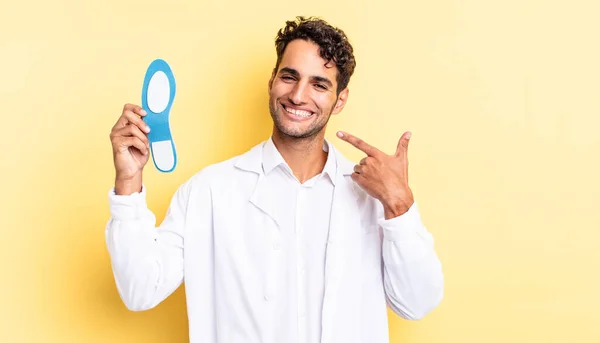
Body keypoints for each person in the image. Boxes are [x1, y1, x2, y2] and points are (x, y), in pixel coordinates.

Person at [106, 16, 444, 343]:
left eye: (319, 84)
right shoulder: (209, 192)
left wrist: (399, 205)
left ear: (340, 99)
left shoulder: (375, 196)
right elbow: (140, 289)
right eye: (289, 76)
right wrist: (128, 182)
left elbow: (416, 304)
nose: (298, 95)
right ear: (272, 81)